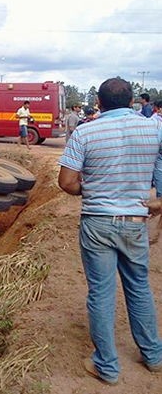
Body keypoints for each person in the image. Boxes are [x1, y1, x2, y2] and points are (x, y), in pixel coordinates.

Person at [58, 77, 162, 385]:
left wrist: (87, 189)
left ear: (99, 103)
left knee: (101, 293)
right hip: (135, 223)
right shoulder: (154, 128)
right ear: (132, 101)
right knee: (139, 287)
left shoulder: (85, 132)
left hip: (98, 223)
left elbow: (66, 182)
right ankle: (154, 356)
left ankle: (106, 365)